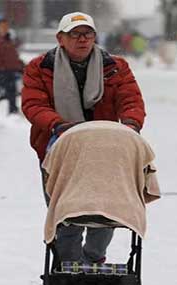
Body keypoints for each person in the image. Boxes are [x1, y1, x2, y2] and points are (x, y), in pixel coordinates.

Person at [21, 11, 146, 264]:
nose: (82, 39)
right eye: (75, 34)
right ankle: (69, 264)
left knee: (106, 207)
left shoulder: (115, 66)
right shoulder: (40, 68)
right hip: (61, 146)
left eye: (88, 34)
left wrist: (131, 124)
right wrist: (58, 125)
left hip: (104, 148)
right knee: (67, 210)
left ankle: (93, 258)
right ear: (60, 38)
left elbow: (130, 99)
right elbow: (34, 105)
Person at [0, 18, 24, 114]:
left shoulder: (8, 40)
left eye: (6, 27)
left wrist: (21, 66)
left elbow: (13, 56)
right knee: (5, 93)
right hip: (1, 71)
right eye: (2, 26)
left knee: (12, 92)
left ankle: (12, 110)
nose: (5, 29)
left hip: (12, 70)